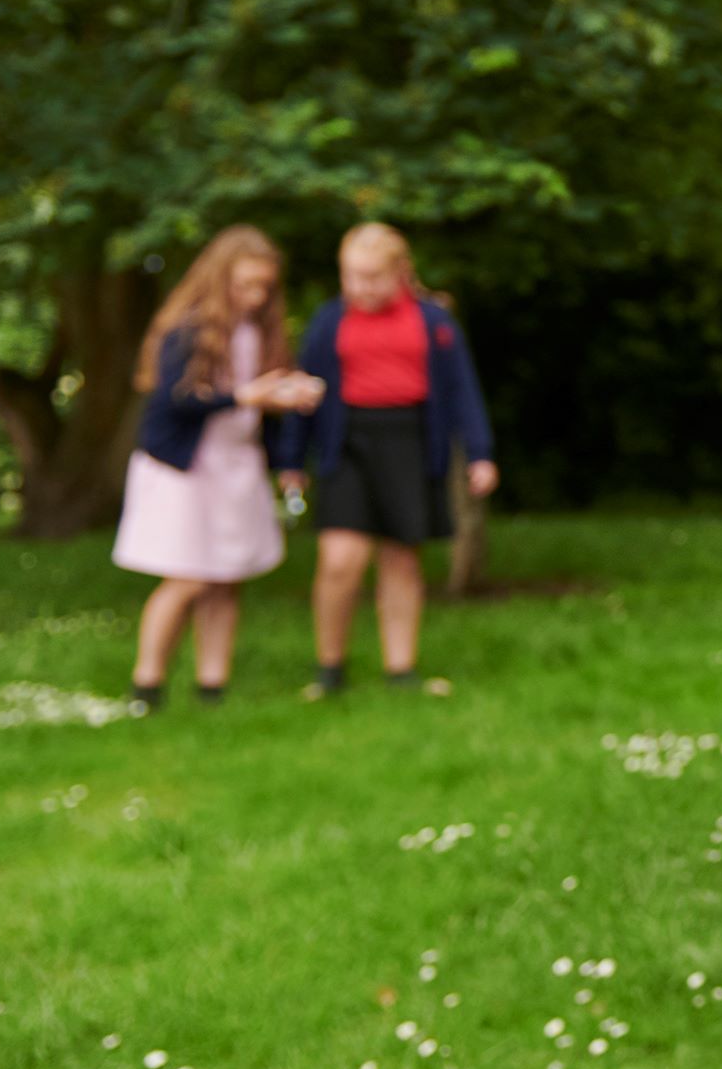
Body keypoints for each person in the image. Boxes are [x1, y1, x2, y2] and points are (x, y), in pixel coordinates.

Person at [272, 223, 496, 695]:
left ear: (401, 272)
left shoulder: (434, 322)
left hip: (410, 443)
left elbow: (462, 391)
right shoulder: (329, 321)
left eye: (373, 277)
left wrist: (479, 454)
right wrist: (291, 459)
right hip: (349, 442)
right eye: (352, 276)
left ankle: (402, 671)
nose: (362, 288)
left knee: (401, 558)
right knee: (340, 560)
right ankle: (329, 671)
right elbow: (304, 391)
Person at [113, 228, 323, 710]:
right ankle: (147, 686)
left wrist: (287, 405)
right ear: (218, 278)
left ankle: (213, 687)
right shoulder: (185, 329)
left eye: (264, 288)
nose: (254, 297)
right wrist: (248, 395)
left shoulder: (260, 334)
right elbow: (174, 401)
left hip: (237, 466)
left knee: (227, 577)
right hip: (185, 471)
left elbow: (258, 412)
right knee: (187, 576)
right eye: (244, 285)